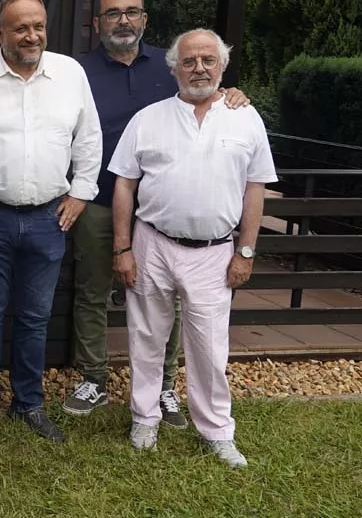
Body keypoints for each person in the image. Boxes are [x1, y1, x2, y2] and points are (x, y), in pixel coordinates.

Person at [67, 0, 249, 424]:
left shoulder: (170, 67)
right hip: (96, 199)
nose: (123, 21)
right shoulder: (79, 71)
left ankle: (164, 386)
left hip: (155, 213)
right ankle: (93, 377)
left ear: (145, 20)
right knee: (91, 291)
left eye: (132, 13)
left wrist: (233, 95)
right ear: (98, 23)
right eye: (113, 14)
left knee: (168, 300)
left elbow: (203, 88)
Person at [110, 29, 276, 467]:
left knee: (208, 345)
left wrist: (246, 252)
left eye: (208, 59)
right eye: (189, 61)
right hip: (153, 243)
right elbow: (124, 185)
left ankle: (217, 430)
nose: (198, 68)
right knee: (146, 336)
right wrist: (122, 248)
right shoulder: (149, 118)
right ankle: (145, 416)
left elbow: (255, 190)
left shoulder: (246, 117)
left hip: (215, 251)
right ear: (174, 68)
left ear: (222, 65)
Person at [0, 0, 102, 442]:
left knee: (35, 316)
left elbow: (89, 138)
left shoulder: (69, 73)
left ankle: (28, 404)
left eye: (39, 26)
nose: (33, 35)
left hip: (51, 217)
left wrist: (82, 193)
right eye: (21, 27)